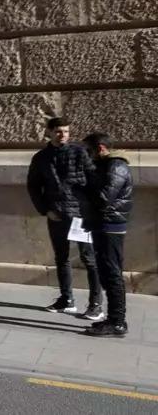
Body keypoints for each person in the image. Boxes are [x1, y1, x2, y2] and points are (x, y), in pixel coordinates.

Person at [26, 117, 103, 320]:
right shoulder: (41, 157)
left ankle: (96, 303)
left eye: (67, 132)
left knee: (89, 258)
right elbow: (33, 186)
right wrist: (45, 209)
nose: (63, 135)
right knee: (62, 257)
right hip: (56, 213)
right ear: (49, 132)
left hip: (81, 214)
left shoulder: (80, 152)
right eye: (59, 131)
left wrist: (89, 207)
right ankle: (66, 299)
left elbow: (93, 179)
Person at [82, 132, 133, 338]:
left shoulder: (116, 167)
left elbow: (104, 198)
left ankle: (118, 322)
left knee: (112, 273)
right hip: (102, 224)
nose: (88, 155)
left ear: (101, 148)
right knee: (106, 272)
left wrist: (83, 185)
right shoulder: (105, 166)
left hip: (111, 226)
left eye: (89, 151)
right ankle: (113, 318)